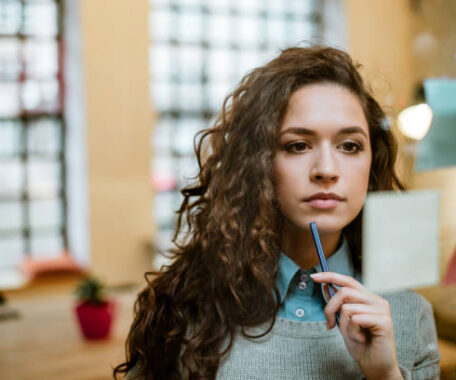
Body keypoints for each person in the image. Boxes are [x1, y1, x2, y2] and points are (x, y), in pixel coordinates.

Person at [114, 46, 440, 380]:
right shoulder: (187, 307)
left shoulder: (408, 316)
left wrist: (385, 374)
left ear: (372, 163)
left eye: (349, 146)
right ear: (258, 164)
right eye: (298, 145)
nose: (326, 169)